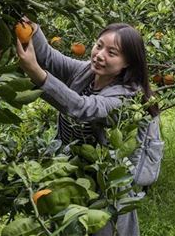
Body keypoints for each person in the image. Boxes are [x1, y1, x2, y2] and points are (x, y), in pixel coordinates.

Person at [16, 20, 153, 236]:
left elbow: (81, 108)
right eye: (99, 46)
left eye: (112, 52)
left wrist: (35, 72)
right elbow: (49, 57)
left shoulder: (126, 97)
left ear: (127, 62)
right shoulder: (87, 73)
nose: (100, 55)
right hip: (72, 177)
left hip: (107, 185)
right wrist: (28, 25)